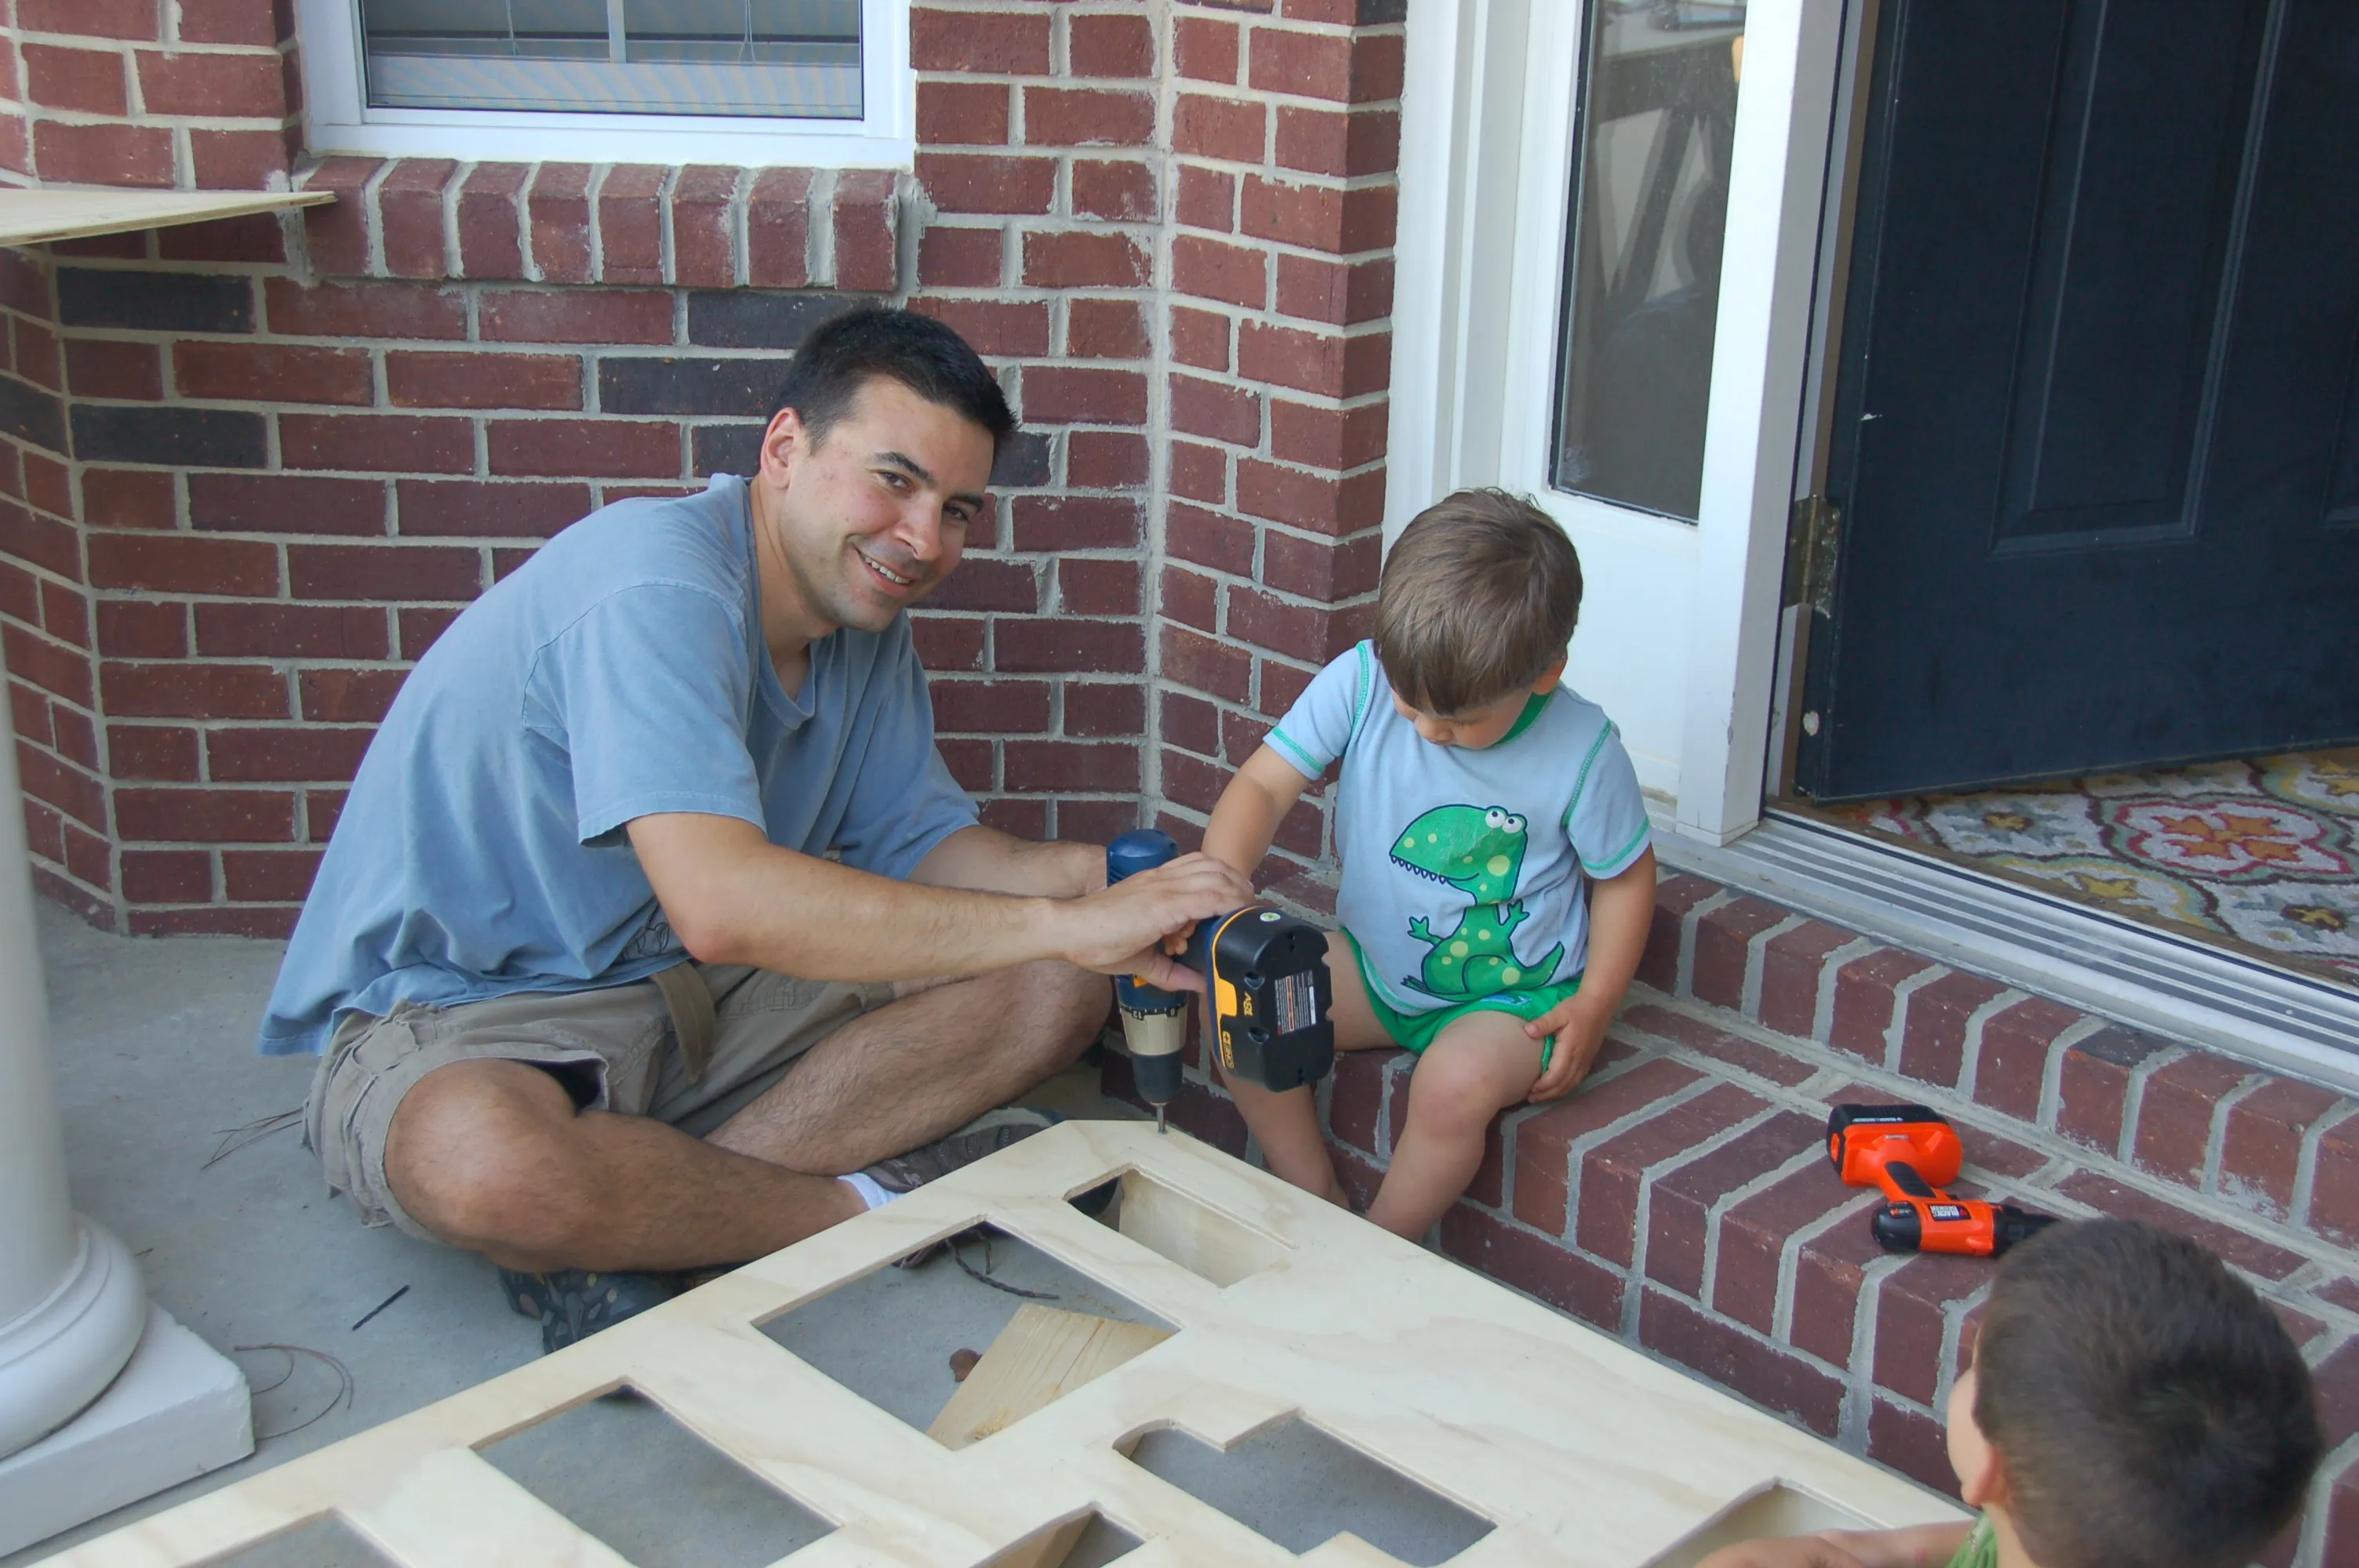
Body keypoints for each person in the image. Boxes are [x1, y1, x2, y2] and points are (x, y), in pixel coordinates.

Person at [260, 307, 1252, 1348]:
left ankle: (647, 1228)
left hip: (694, 1001)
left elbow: (925, 847)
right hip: (479, 1013)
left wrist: (1119, 887)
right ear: (785, 450)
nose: (923, 541)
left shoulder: (858, 624)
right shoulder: (658, 585)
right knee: (484, 1166)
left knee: (1066, 979)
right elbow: (725, 908)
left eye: (958, 509)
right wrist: (1059, 923)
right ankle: (861, 1208)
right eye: (895, 482)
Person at [1195, 488, 1657, 1240]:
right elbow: (1263, 784)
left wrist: (1597, 1002)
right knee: (1245, 1009)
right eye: (1413, 706)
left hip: (1512, 1000)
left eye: (1458, 720)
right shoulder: (1365, 678)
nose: (1427, 729)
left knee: (1453, 1084)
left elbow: (1626, 878)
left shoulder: (1583, 750)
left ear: (1544, 673)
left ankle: (1382, 1250)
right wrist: (1223, 881)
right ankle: (1315, 1206)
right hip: (1377, 971)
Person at [1699, 1219, 2322, 1568]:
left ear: (1991, 1470)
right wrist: (1854, 1552)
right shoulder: (2073, 1540)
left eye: (1972, 1370)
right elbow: (1966, 1545)